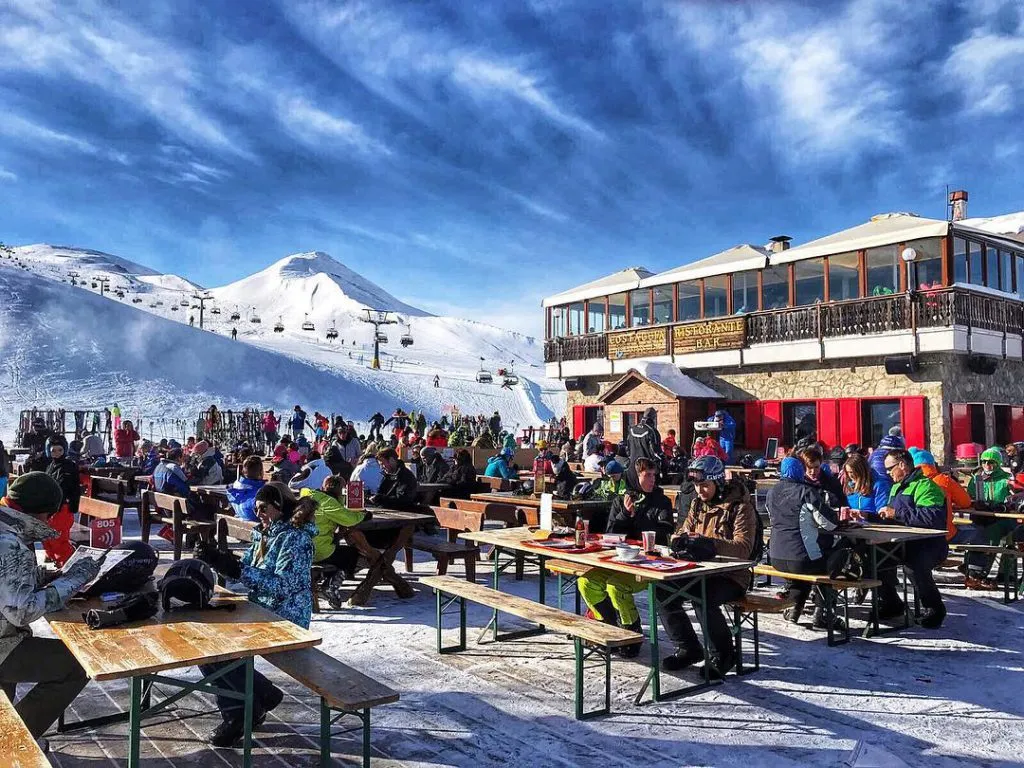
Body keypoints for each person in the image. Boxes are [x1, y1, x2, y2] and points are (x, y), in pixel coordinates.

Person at [196, 482, 317, 747]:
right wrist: (219, 560)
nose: (259, 514)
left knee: (218, 652)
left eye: (263, 508)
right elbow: (249, 572)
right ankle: (261, 694)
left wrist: (239, 571)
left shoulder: (295, 538)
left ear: (279, 507)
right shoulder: (264, 532)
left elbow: (284, 585)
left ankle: (239, 715)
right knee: (206, 644)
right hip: (263, 607)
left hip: (286, 615)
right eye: (256, 509)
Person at [0, 472, 103, 739]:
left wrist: (47, 576)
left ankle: (6, 736)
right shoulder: (10, 544)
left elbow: (6, 581)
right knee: (77, 665)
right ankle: (16, 742)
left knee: (6, 689)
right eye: (48, 516)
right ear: (39, 513)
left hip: (4, 638)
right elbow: (22, 611)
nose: (49, 521)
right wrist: (75, 579)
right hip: (2, 645)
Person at [658, 455, 755, 677]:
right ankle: (688, 648)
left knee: (702, 597)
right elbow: (683, 530)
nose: (700, 491)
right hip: (698, 569)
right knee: (663, 592)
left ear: (717, 483)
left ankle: (723, 654)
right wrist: (679, 540)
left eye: (704, 485)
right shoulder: (697, 504)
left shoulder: (740, 507)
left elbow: (744, 548)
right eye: (696, 486)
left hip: (732, 575)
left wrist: (709, 543)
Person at [578, 457, 673, 655]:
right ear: (635, 476)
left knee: (615, 586)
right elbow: (611, 533)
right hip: (620, 560)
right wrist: (625, 515)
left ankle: (632, 632)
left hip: (650, 563)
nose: (652, 480)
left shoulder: (661, 501)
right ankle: (608, 625)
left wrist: (638, 519)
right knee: (586, 582)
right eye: (647, 475)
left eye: (654, 475)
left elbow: (665, 531)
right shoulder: (620, 500)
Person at [877, 449, 949, 628]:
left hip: (929, 544)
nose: (887, 473)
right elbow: (894, 516)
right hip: (903, 542)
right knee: (875, 559)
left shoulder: (926, 486)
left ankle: (934, 608)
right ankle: (891, 602)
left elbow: (932, 517)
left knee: (914, 565)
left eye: (890, 468)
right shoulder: (896, 486)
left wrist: (896, 513)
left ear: (902, 465)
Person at [766, 458, 841, 627]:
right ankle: (823, 612)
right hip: (801, 558)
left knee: (805, 561)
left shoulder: (772, 492)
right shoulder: (806, 492)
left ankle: (794, 607)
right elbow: (829, 523)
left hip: (776, 557)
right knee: (832, 562)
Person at [965, 446, 1017, 587]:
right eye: (984, 461)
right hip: (982, 517)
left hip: (1003, 517)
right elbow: (967, 498)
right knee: (979, 533)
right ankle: (975, 571)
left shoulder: (1006, 479)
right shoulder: (977, 479)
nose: (987, 465)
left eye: (991, 462)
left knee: (1006, 536)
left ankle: (1006, 573)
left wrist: (1004, 505)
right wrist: (976, 503)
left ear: (998, 463)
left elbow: (1015, 498)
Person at [842, 452, 889, 520]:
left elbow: (883, 514)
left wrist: (866, 515)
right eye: (848, 472)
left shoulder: (879, 485)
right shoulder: (849, 485)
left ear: (861, 471)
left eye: (852, 472)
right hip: (855, 526)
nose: (850, 475)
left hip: (875, 526)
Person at [626, 408, 662, 489]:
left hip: (632, 468)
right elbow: (656, 453)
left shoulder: (632, 429)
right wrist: (662, 467)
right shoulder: (652, 431)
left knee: (633, 494)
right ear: (654, 417)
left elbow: (627, 450)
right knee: (649, 496)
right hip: (646, 469)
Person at [226, 456, 265, 522]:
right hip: (257, 528)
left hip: (241, 523)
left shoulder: (234, 488)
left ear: (243, 471)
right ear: (260, 472)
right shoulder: (259, 493)